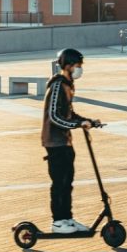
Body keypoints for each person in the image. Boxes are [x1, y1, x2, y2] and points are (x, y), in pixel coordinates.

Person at [41, 48, 100, 234]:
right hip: (54, 143)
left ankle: (67, 219)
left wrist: (87, 121)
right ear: (67, 66)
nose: (79, 69)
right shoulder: (58, 85)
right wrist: (77, 124)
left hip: (65, 142)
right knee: (59, 183)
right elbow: (54, 117)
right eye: (77, 66)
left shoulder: (68, 84)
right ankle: (58, 222)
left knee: (68, 182)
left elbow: (69, 114)